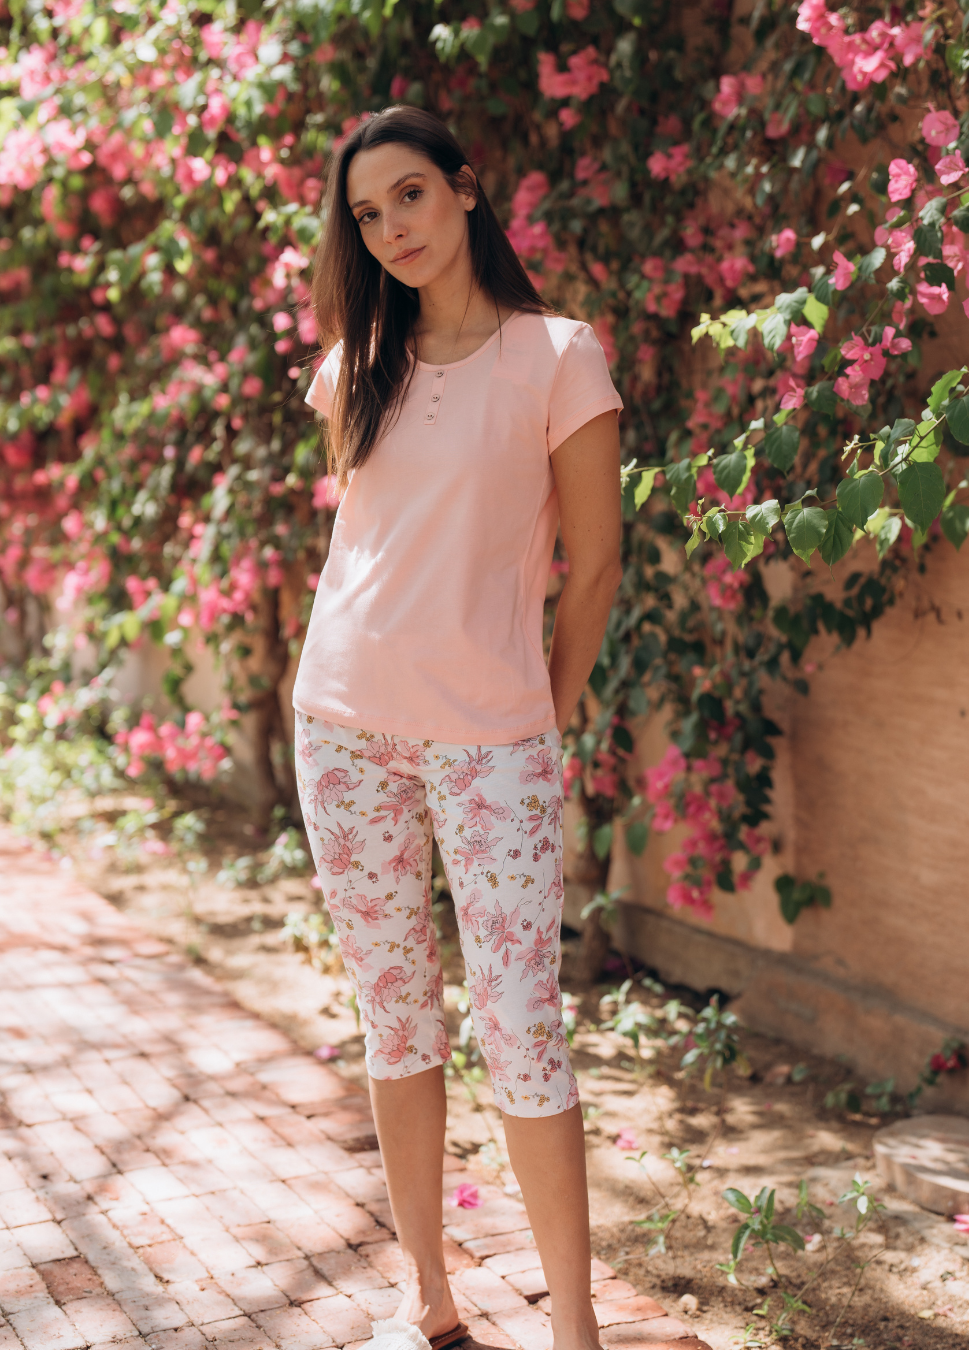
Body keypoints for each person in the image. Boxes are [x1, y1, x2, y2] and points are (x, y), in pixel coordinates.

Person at [292, 105, 624, 1350]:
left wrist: (550, 711)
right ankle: (422, 1290)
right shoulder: (353, 369)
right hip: (341, 723)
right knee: (396, 1013)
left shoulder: (556, 355)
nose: (392, 231)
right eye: (368, 216)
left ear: (468, 191)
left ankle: (575, 1326)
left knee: (521, 1021)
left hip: (493, 740)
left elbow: (593, 565)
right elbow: (364, 549)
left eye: (411, 197)